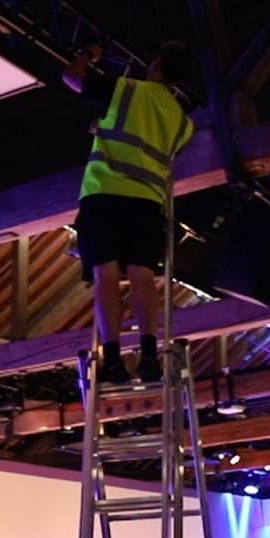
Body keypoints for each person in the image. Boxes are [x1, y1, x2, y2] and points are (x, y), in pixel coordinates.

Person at [61, 40, 195, 385]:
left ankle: (114, 359)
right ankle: (149, 354)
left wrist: (88, 55)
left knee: (106, 275)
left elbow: (72, 78)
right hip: (148, 204)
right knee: (142, 277)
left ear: (156, 64)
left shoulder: (126, 88)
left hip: (104, 195)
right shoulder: (184, 124)